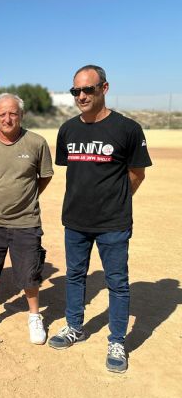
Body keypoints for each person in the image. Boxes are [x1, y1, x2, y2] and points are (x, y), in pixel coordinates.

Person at [48, 65, 152, 373]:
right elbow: (76, 174)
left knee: (117, 283)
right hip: (75, 221)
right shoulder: (67, 130)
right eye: (75, 91)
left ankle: (117, 341)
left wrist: (116, 201)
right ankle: (74, 327)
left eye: (88, 90)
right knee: (75, 276)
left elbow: (137, 173)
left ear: (104, 89)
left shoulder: (127, 129)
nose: (81, 96)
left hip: (113, 224)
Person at [0, 93, 53, 344]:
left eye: (13, 113)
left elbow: (45, 176)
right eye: (3, 114)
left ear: (22, 115)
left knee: (30, 272)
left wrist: (26, 197)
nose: (8, 118)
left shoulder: (36, 143)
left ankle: (34, 316)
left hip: (26, 220)